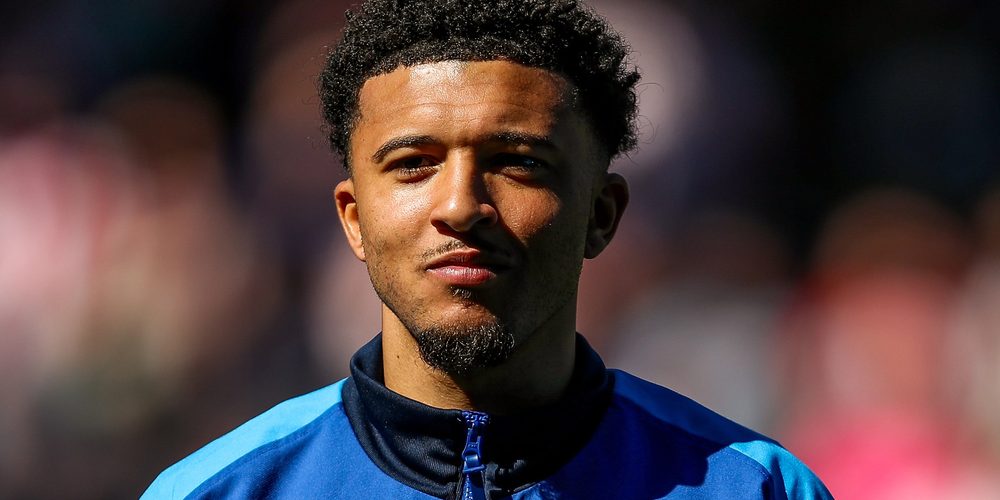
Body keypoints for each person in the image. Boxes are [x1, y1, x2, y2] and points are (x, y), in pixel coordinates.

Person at [142, 0, 832, 498]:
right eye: (414, 162)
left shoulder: (754, 486)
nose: (460, 206)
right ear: (353, 218)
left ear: (602, 213)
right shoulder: (220, 490)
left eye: (517, 161)